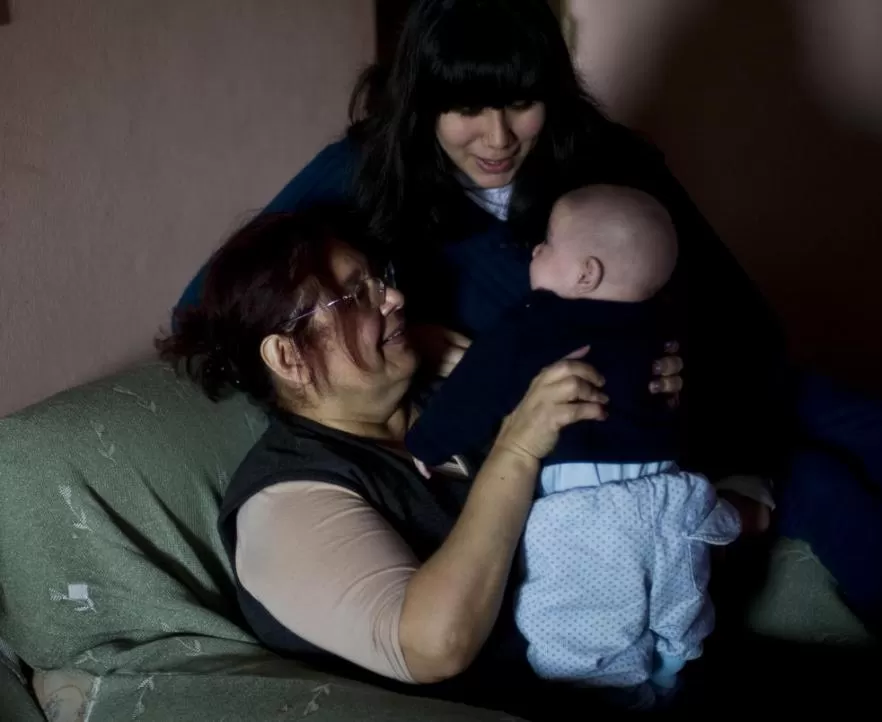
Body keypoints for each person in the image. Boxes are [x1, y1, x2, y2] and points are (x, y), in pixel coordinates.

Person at [177, 0, 882, 655]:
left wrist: (679, 359)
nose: (496, 138)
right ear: (422, 105)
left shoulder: (610, 160)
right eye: (463, 108)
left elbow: (736, 309)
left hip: (707, 381)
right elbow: (212, 306)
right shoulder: (360, 173)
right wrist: (413, 333)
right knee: (834, 497)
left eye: (518, 102)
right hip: (608, 441)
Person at [160, 207, 652, 719]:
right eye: (356, 296)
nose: (394, 298)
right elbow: (433, 645)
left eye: (381, 280)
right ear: (287, 358)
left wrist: (639, 384)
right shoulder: (284, 502)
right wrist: (517, 449)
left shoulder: (447, 394)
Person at [407, 184, 772, 709]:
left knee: (580, 640)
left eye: (548, 243)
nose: (537, 251)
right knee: (678, 604)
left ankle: (619, 699)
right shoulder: (664, 325)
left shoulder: (536, 320)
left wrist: (426, 440)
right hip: (674, 497)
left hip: (588, 513)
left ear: (586, 273)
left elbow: (476, 386)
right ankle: (674, 667)